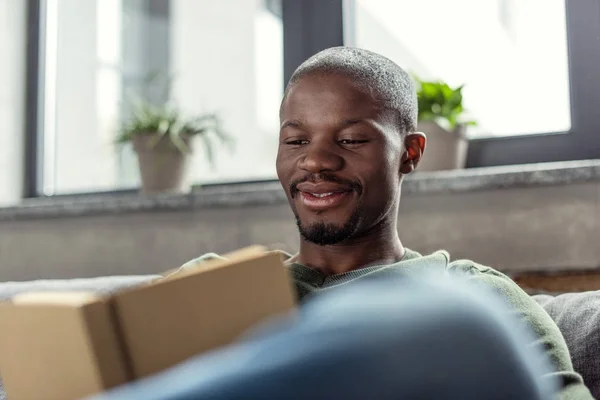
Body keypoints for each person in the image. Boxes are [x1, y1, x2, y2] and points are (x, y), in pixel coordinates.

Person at [96, 47, 592, 399]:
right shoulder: (211, 282)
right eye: (295, 141)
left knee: (458, 323)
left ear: (410, 153)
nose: (315, 162)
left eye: (351, 140)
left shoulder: (467, 293)